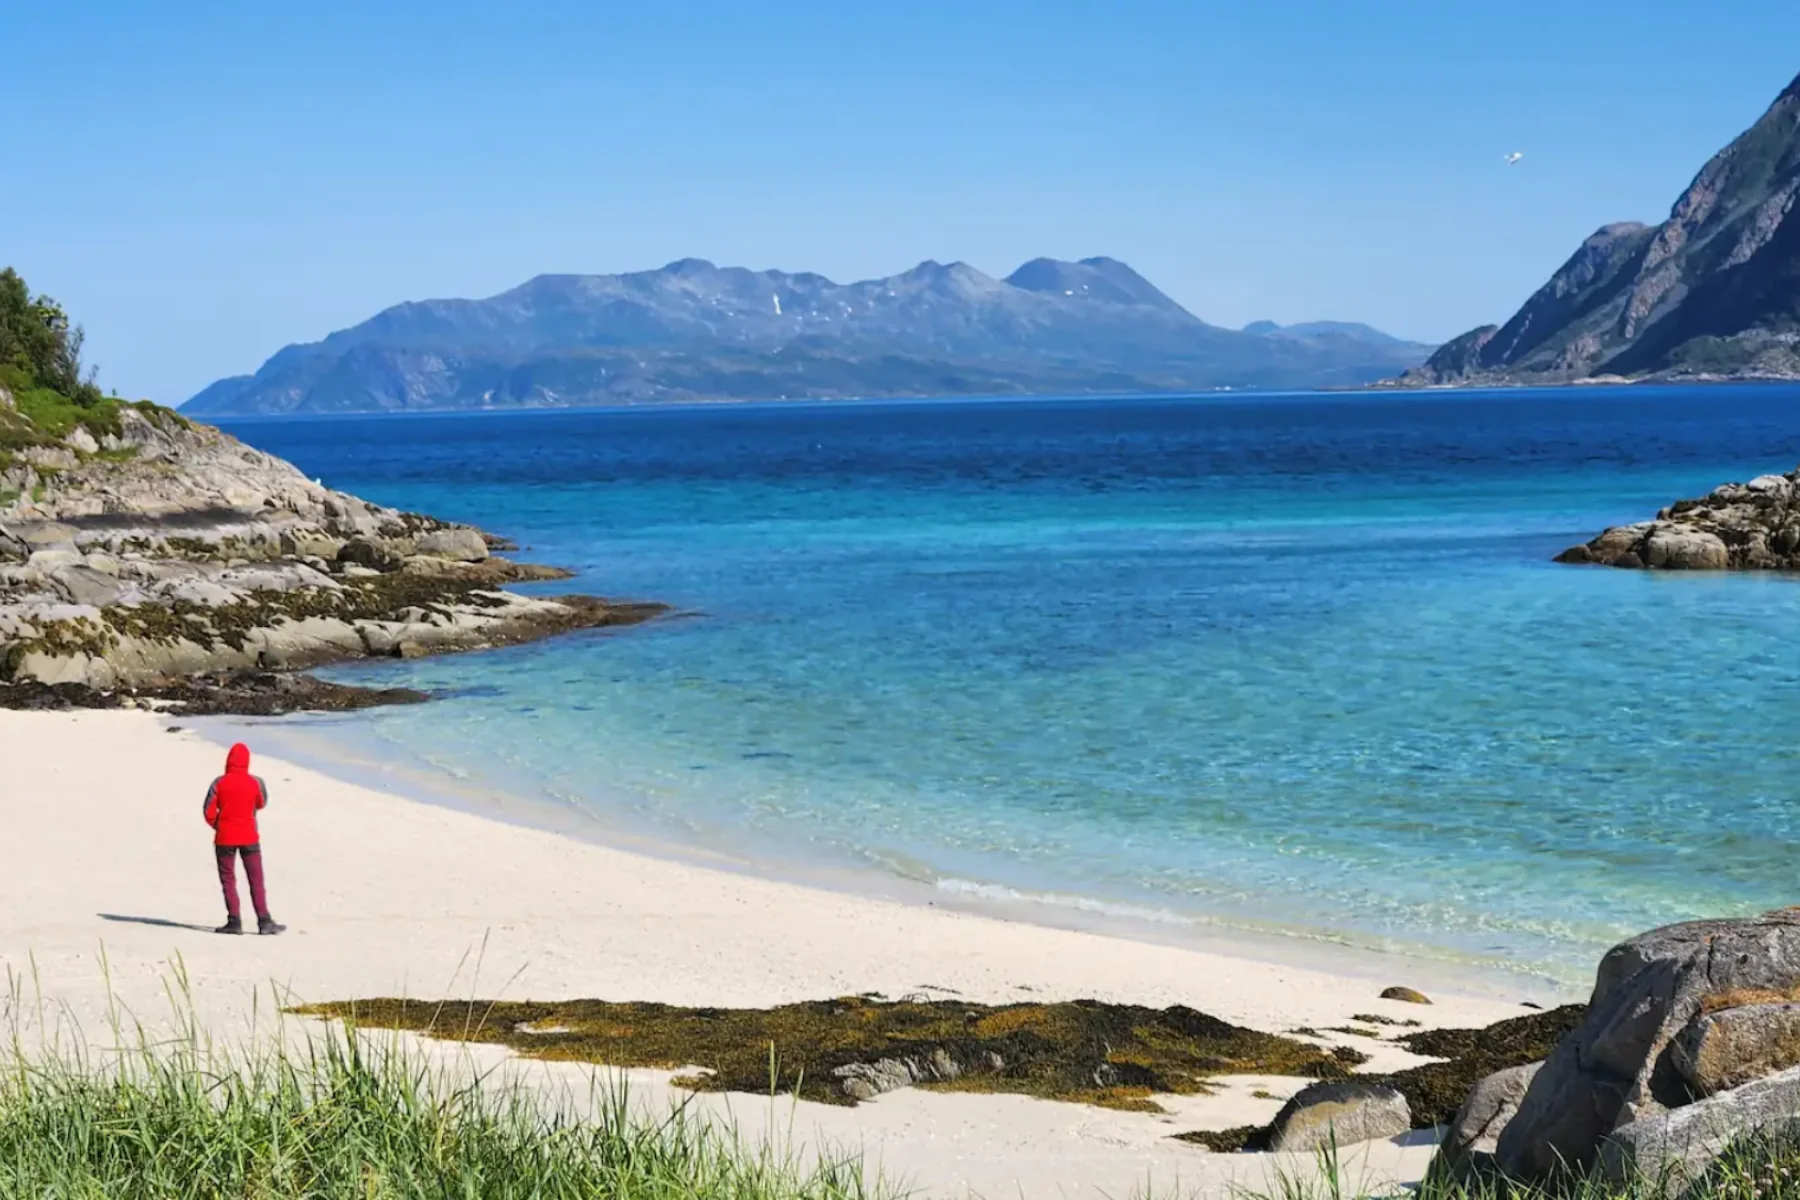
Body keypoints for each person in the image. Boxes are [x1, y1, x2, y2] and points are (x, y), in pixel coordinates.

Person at [202, 743, 286, 935]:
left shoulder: (218, 783)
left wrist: (219, 824)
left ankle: (234, 921)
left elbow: (208, 811)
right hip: (249, 836)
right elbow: (261, 802)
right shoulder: (256, 782)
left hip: (224, 838)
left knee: (228, 879)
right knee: (256, 880)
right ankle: (264, 921)